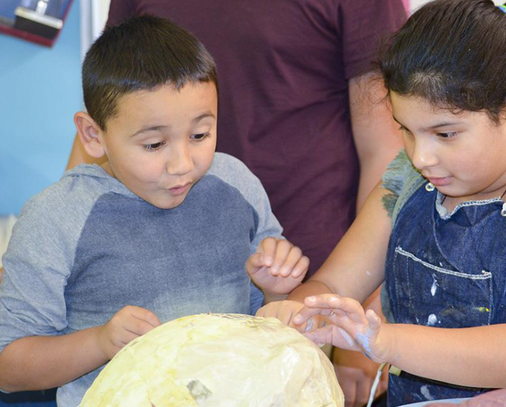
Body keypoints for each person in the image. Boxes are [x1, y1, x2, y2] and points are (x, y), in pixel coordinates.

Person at [65, 1, 407, 404]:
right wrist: (64, 225)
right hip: (157, 298)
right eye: (157, 144)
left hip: (308, 292)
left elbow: (387, 159)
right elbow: (112, 104)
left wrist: (360, 328)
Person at [0, 15, 309, 407]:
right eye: (153, 145)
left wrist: (273, 291)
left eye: (199, 135)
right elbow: (8, 366)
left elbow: (260, 325)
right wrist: (100, 342)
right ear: (94, 135)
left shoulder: (236, 183)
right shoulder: (56, 218)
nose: (182, 163)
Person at [258, 0, 506, 405]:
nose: (420, 157)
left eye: (444, 134)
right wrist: (297, 314)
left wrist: (385, 341)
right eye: (406, 130)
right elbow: (334, 285)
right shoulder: (406, 182)